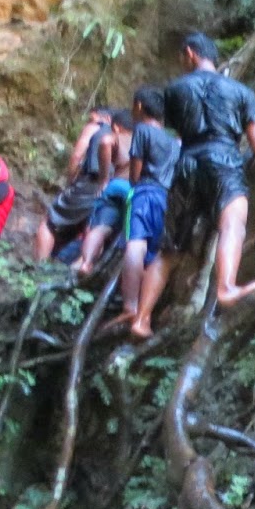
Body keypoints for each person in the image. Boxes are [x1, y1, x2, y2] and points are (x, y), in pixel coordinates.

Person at [128, 31, 255, 337]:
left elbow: (168, 130)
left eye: (182, 58)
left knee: (168, 250)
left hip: (186, 165)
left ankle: (141, 319)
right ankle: (225, 287)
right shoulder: (241, 91)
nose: (182, 63)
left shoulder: (174, 90)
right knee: (232, 223)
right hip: (223, 160)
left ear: (190, 53)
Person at [108, 86, 180, 334]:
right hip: (165, 199)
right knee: (154, 251)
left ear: (139, 106)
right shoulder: (174, 142)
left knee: (135, 244)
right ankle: (145, 313)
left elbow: (135, 172)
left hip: (144, 192)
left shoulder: (142, 130)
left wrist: (134, 185)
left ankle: (130, 305)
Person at [34, 107, 113, 261]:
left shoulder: (96, 127)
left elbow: (77, 155)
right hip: (110, 188)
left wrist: (71, 181)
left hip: (89, 183)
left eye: (92, 118)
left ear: (107, 119)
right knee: (87, 231)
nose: (89, 123)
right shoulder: (123, 135)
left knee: (49, 223)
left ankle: (39, 269)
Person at [72, 108, 135, 277]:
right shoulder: (142, 140)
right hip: (136, 190)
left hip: (117, 184)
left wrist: (104, 178)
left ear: (116, 127)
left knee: (100, 227)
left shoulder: (118, 137)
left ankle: (85, 263)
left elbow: (106, 142)